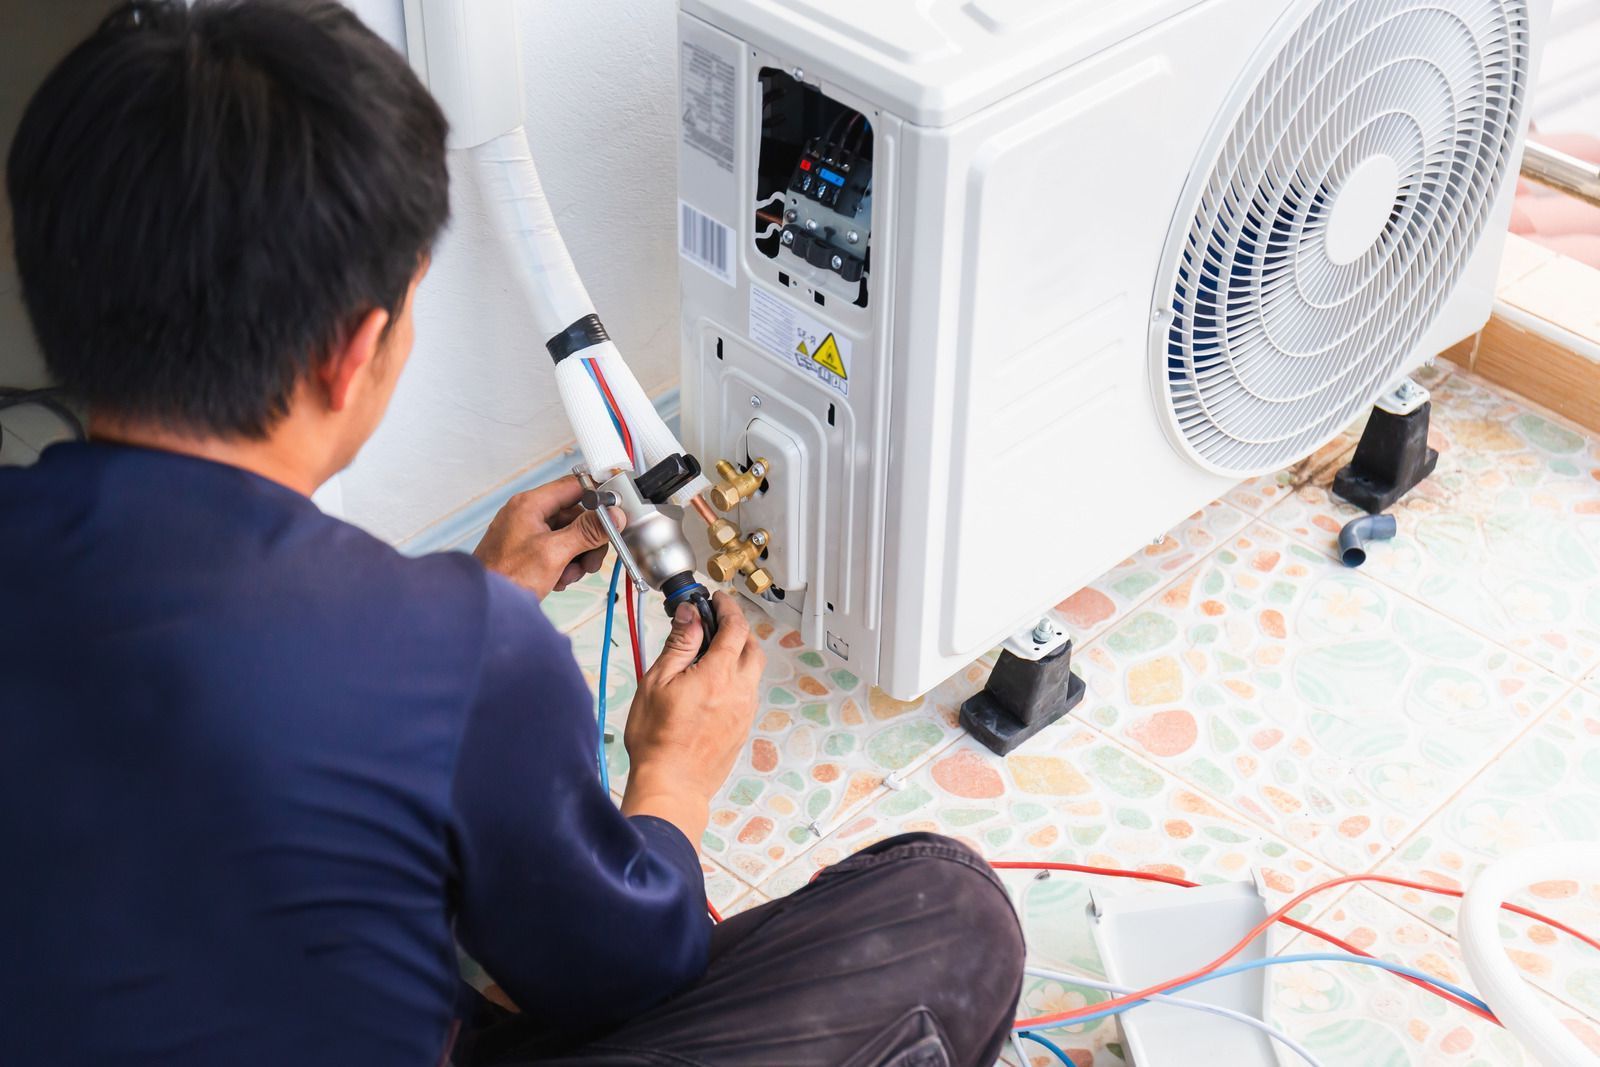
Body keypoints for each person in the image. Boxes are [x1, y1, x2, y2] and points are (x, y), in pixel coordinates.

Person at [0, 2, 1024, 1066]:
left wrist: (456, 609)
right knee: (945, 908)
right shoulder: (458, 652)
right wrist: (674, 772)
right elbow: (624, 974)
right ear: (356, 352)